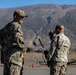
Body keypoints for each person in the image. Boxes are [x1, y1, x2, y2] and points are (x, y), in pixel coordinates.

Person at [1, 9, 27, 75]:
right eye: (21, 17)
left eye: (23, 17)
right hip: (15, 58)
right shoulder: (16, 26)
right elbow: (20, 42)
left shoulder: (7, 26)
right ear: (15, 16)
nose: (23, 18)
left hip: (7, 58)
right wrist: (23, 48)